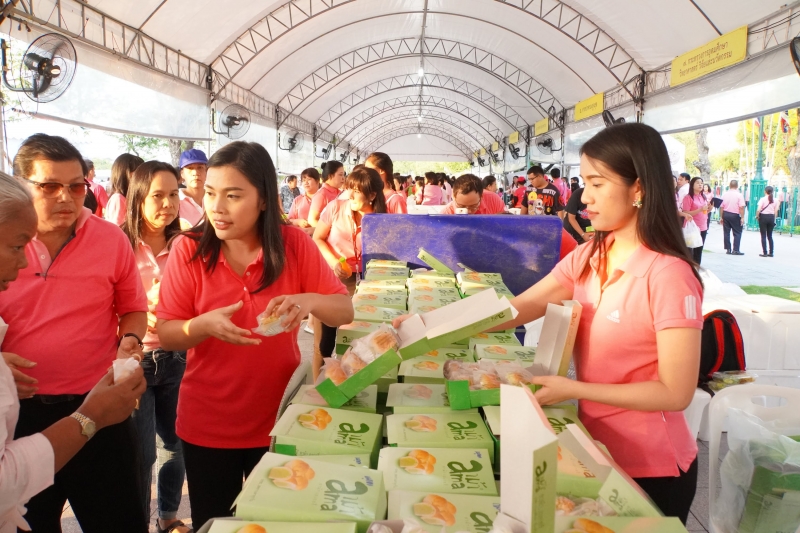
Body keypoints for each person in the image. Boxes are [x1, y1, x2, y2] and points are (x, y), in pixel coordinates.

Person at [399, 123, 703, 524]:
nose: (583, 197)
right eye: (582, 181)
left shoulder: (669, 275)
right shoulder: (592, 253)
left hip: (652, 467)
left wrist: (570, 389)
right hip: (597, 451)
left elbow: (675, 391)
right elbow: (517, 308)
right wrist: (427, 323)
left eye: (597, 183)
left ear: (639, 189)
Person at [156, 142, 352, 527]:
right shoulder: (189, 250)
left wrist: (309, 299)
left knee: (274, 521)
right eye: (210, 194)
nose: (217, 207)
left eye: (233, 196)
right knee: (216, 523)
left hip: (279, 421)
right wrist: (201, 326)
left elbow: (344, 309)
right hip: (208, 425)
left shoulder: (293, 244)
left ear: (264, 199)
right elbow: (167, 334)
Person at [1, 134, 149, 531]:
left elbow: (134, 308)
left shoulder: (110, 239)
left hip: (100, 410)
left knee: (119, 522)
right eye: (49, 186)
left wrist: (130, 341)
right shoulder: (3, 242)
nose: (66, 197)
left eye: (76, 185)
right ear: (20, 184)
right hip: (19, 421)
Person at [122, 161, 190, 533]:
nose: (167, 204)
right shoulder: (120, 243)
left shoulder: (186, 244)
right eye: (158, 196)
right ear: (138, 199)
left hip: (177, 355)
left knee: (175, 443)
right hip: (136, 358)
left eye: (174, 195)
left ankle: (168, 517)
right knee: (141, 452)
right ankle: (138, 523)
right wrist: (133, 317)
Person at [312, 168, 387, 371]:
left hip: (366, 286)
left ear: (371, 195)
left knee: (358, 340)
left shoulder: (380, 220)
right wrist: (334, 262)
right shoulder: (335, 208)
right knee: (325, 342)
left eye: (356, 191)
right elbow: (317, 238)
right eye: (349, 189)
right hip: (333, 280)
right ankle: (318, 385)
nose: (350, 195)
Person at [105, 153, 144, 226]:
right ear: (126, 174)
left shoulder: (129, 198)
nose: (142, 178)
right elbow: (117, 230)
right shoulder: (118, 199)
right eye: (138, 173)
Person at [681, 177, 710, 264]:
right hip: (693, 227)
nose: (700, 184)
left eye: (701, 183)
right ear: (692, 185)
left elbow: (704, 211)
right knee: (691, 250)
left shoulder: (703, 196)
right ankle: (690, 269)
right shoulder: (688, 197)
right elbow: (686, 213)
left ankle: (697, 269)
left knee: (699, 250)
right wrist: (700, 209)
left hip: (703, 226)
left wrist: (709, 209)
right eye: (697, 183)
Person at [308, 160, 345, 226]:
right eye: (340, 175)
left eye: (343, 175)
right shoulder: (321, 194)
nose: (343, 178)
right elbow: (312, 220)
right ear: (330, 176)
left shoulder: (340, 192)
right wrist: (330, 231)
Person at [178, 149, 209, 227]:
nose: (195, 173)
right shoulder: (176, 200)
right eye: (190, 168)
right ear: (182, 174)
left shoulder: (215, 198)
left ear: (206, 171)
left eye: (200, 168)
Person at [288, 168, 321, 236]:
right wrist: (297, 221)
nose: (306, 182)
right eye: (303, 180)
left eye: (309, 179)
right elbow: (289, 220)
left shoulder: (324, 198)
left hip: (320, 238)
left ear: (317, 181)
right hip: (301, 237)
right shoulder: (298, 200)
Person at [720, 179, 746, 255]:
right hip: (735, 215)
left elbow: (721, 207)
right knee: (737, 232)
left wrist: (721, 217)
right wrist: (742, 217)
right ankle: (736, 250)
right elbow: (741, 207)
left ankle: (728, 249)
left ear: (729, 185)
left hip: (726, 214)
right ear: (737, 186)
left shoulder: (724, 194)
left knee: (726, 232)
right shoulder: (739, 195)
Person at [757, 185, 776, 257]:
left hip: (763, 217)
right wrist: (774, 219)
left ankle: (764, 252)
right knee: (770, 236)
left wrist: (757, 216)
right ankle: (771, 252)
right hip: (771, 217)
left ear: (765, 191)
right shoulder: (775, 200)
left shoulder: (762, 199)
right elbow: (776, 211)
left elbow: (758, 209)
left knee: (763, 235)